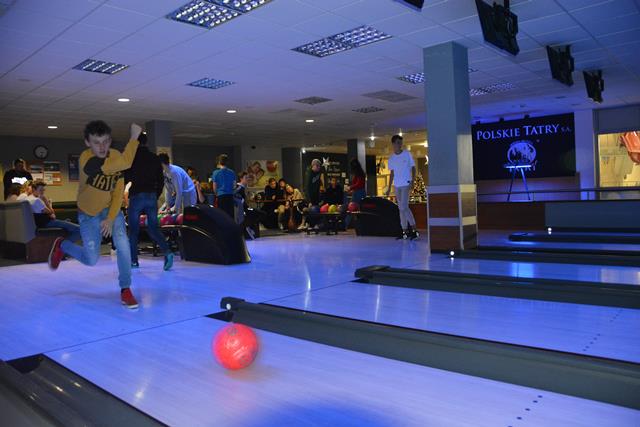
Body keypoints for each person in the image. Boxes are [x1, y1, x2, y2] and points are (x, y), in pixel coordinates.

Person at [48, 121, 142, 308]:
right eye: (96, 142)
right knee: (91, 260)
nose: (102, 147)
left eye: (105, 141)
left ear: (110, 141)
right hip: (88, 213)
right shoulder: (86, 159)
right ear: (87, 142)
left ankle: (125, 288)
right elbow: (125, 162)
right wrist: (134, 137)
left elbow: (118, 192)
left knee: (123, 245)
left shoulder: (116, 157)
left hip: (110, 210)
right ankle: (62, 245)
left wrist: (110, 218)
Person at [124, 132, 173, 270]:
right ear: (146, 142)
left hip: (136, 196)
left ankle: (134, 261)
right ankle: (167, 252)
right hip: (151, 196)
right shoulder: (154, 158)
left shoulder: (131, 158)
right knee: (153, 228)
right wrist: (155, 195)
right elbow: (161, 180)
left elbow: (126, 177)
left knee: (133, 231)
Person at [385, 134, 418, 240]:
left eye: (401, 143)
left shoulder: (407, 154)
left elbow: (413, 168)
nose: (400, 145)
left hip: (406, 184)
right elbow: (392, 173)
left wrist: (413, 181)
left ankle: (414, 229)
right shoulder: (391, 158)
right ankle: (404, 231)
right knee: (401, 209)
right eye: (398, 143)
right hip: (397, 185)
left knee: (404, 207)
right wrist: (389, 188)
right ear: (393, 144)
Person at [211, 154, 236, 219]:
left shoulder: (215, 173)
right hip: (230, 196)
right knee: (230, 216)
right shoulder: (232, 172)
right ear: (227, 162)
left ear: (219, 162)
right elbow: (234, 186)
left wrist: (216, 194)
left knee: (222, 216)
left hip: (221, 196)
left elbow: (214, 187)